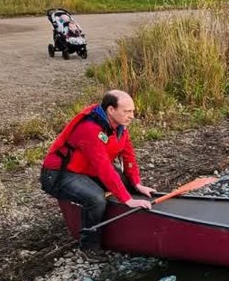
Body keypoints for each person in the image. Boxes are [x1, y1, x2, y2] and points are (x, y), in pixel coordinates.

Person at [40, 90, 154, 250]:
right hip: (60, 174)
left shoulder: (120, 126)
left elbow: (129, 156)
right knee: (96, 199)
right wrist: (127, 199)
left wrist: (136, 184)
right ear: (111, 110)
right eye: (127, 111)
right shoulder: (89, 129)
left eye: (132, 111)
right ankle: (89, 246)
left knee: (125, 183)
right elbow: (103, 167)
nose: (132, 116)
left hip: (86, 169)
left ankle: (129, 225)